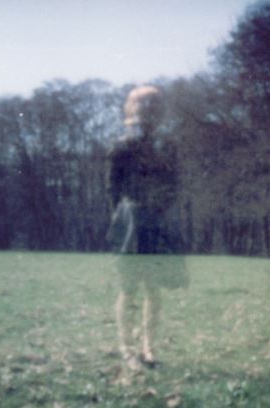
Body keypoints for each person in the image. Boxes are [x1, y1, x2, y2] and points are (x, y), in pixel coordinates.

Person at [106, 85, 187, 371]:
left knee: (153, 289)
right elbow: (113, 190)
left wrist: (160, 212)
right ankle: (128, 349)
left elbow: (173, 185)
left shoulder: (167, 146)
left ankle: (149, 348)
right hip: (130, 222)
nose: (148, 111)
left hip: (156, 221)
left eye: (153, 105)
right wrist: (123, 222)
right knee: (128, 289)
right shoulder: (121, 146)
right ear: (133, 109)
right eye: (143, 105)